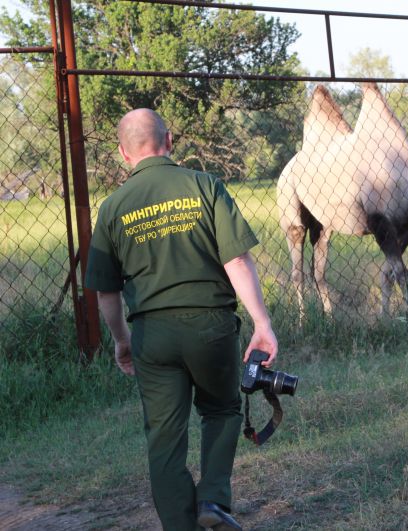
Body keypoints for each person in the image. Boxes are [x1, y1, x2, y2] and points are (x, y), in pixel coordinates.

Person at [85, 108, 278, 531]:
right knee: (223, 409)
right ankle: (212, 498)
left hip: (152, 334)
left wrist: (122, 341)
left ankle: (180, 525)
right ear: (169, 140)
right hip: (211, 325)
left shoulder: (113, 208)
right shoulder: (205, 185)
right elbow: (237, 258)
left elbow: (106, 292)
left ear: (123, 154)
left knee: (164, 436)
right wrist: (261, 323)